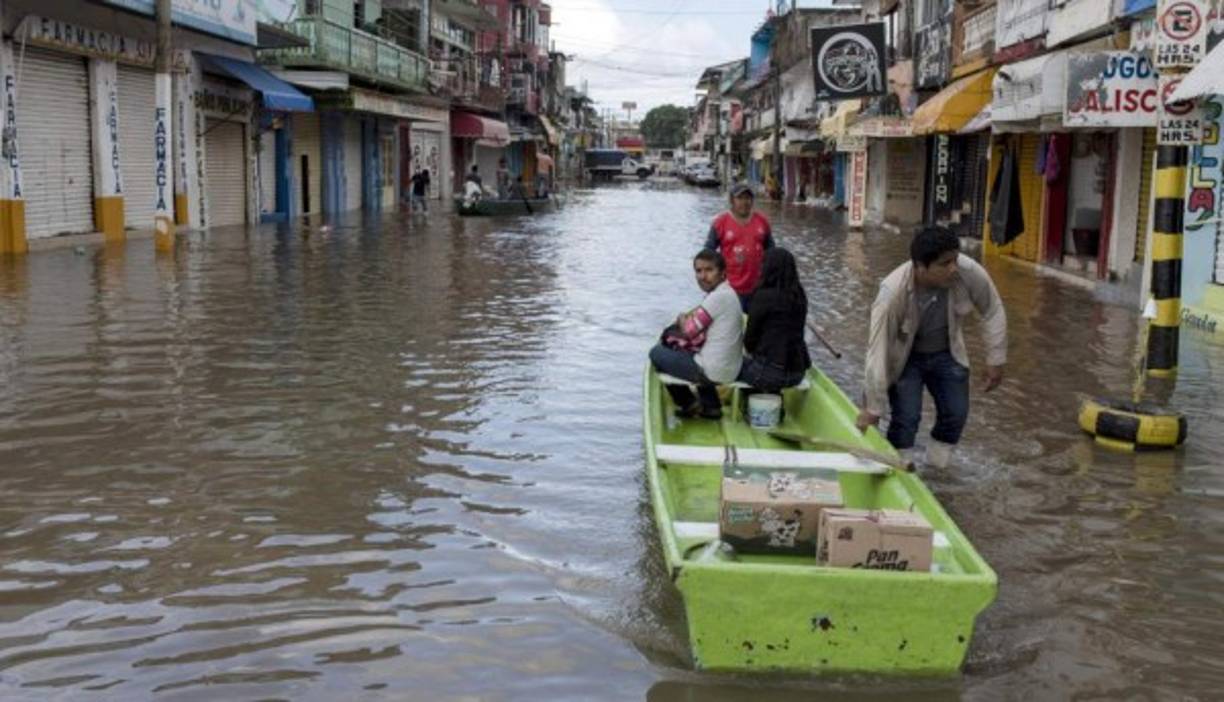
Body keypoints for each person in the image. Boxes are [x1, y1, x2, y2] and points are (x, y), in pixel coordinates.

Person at [855, 226, 1008, 468]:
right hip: (906, 359)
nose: (953, 268)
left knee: (956, 414)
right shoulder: (892, 292)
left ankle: (938, 469)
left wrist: (996, 359)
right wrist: (873, 406)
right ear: (920, 266)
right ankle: (899, 467)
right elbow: (878, 350)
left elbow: (992, 309)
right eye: (944, 264)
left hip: (946, 352)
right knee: (906, 418)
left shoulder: (967, 272)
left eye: (955, 260)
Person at [649, 249, 744, 419]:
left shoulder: (717, 297)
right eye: (698, 271)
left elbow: (688, 333)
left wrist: (681, 319)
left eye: (709, 270)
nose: (702, 276)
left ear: (722, 273)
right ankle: (711, 407)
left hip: (714, 371)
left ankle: (689, 403)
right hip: (730, 368)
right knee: (696, 352)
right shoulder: (729, 293)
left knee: (657, 353)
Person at [737, 247, 811, 393]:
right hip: (798, 373)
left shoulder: (763, 296)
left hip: (768, 373)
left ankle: (744, 405)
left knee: (728, 367)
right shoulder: (800, 296)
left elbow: (749, 341)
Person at [704, 182, 775, 311]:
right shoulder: (720, 222)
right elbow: (707, 255)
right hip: (730, 290)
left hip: (758, 289)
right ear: (732, 200)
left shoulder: (762, 221)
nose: (744, 202)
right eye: (740, 198)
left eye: (748, 198)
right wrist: (712, 285)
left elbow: (773, 254)